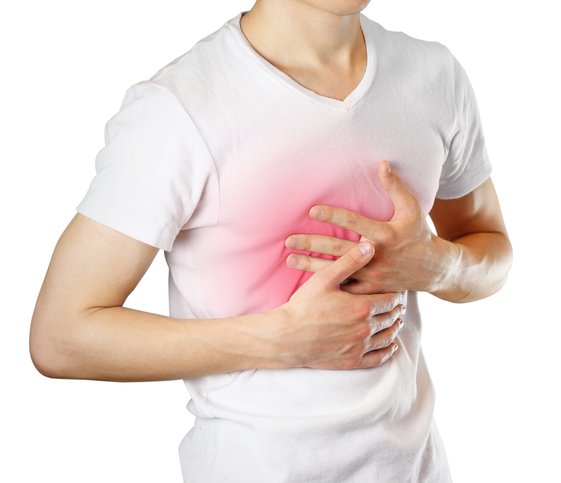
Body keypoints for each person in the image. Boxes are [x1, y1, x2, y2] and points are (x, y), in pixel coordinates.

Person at [29, 0, 513, 481]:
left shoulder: (434, 76)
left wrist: (437, 266)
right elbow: (61, 337)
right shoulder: (179, 107)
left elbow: (491, 250)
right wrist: (283, 339)